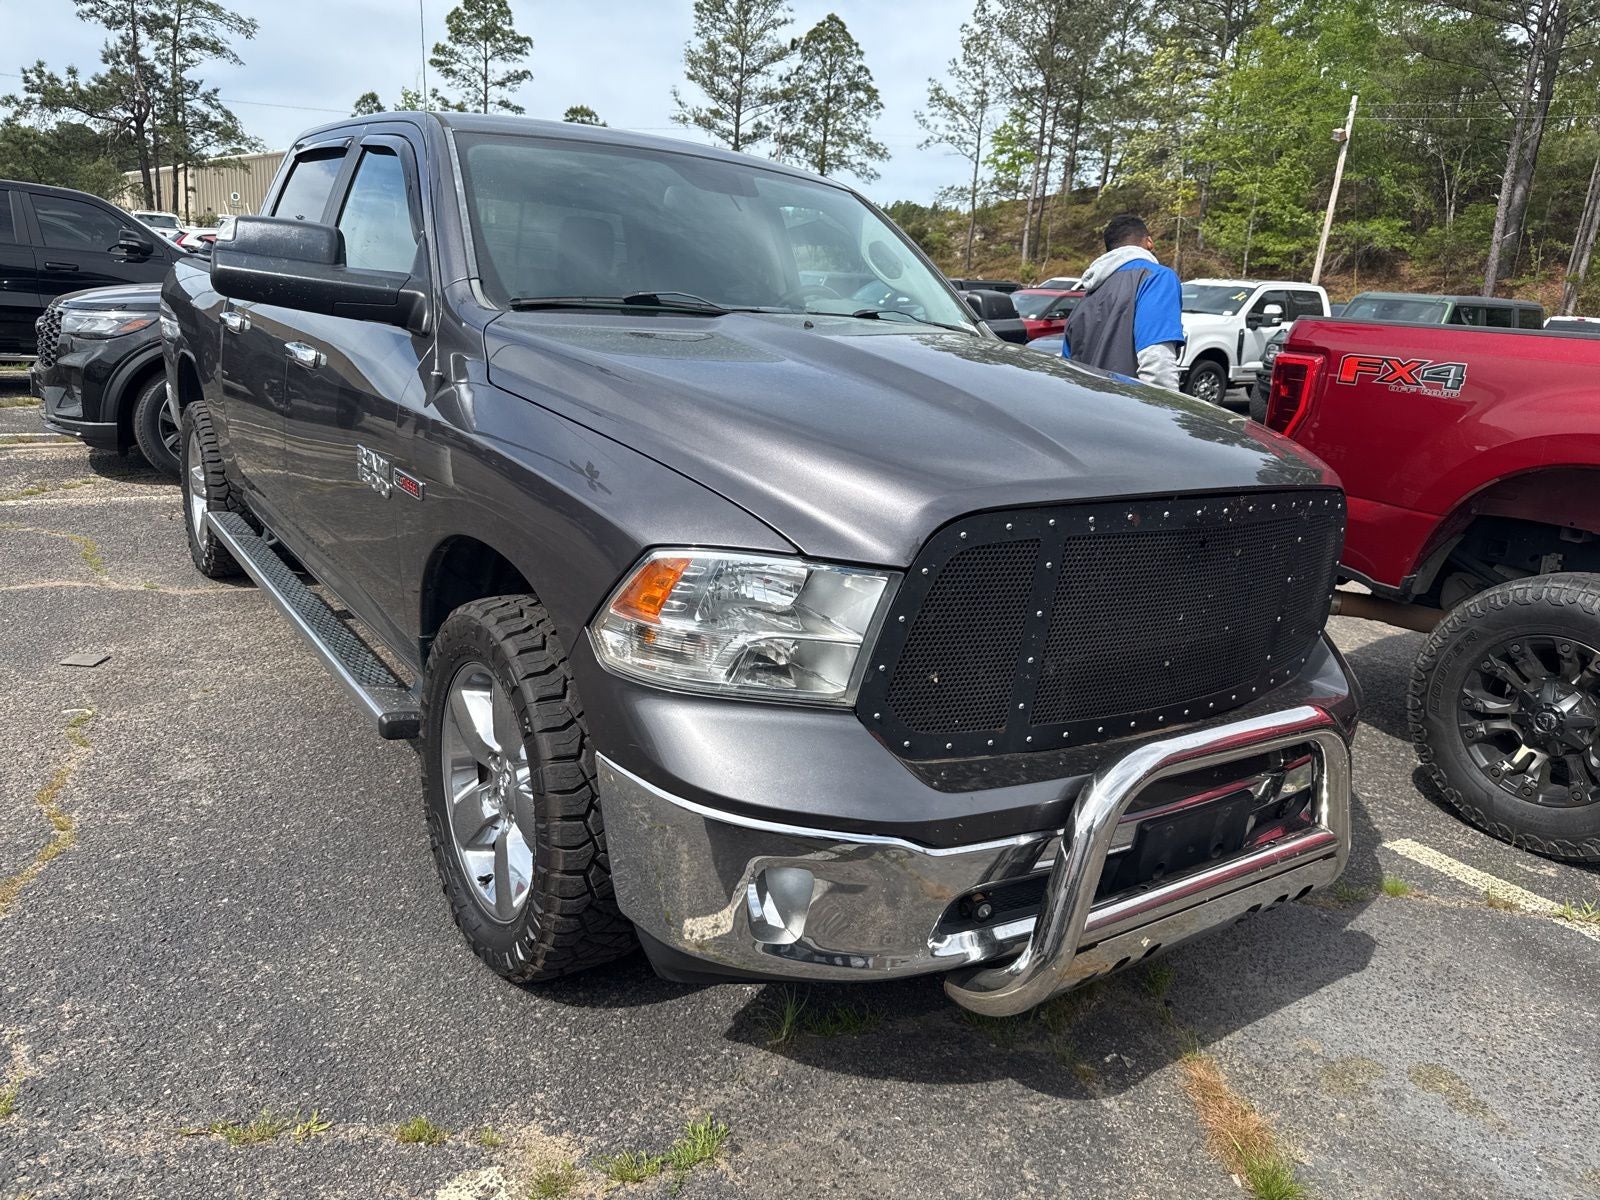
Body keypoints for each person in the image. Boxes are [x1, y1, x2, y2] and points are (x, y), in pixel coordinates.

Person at [1062, 214, 1185, 390]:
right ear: (1149, 242)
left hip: (1084, 410)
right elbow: (1157, 365)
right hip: (1127, 410)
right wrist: (1165, 414)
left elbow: (1068, 369)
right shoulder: (1156, 278)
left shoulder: (1088, 296)